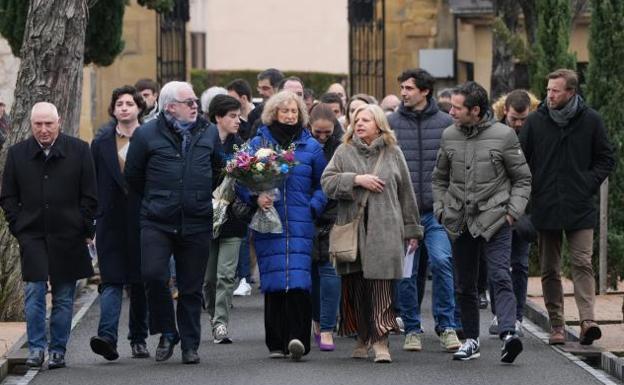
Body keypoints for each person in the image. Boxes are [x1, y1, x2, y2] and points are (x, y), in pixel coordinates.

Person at [125, 81, 224, 364]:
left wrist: (196, 195)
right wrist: (161, 198)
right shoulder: (146, 134)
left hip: (196, 220)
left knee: (191, 288)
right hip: (157, 219)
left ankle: (190, 345)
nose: (195, 106)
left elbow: (218, 170)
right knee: (154, 275)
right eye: (189, 102)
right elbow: (133, 176)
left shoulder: (208, 132)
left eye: (195, 101)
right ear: (170, 107)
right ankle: (168, 331)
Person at [432, 81, 531, 363]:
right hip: (459, 219)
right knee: (464, 284)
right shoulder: (449, 135)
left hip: (496, 218)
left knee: (500, 274)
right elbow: (439, 178)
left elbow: (523, 179)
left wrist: (512, 212)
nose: (450, 111)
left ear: (475, 110)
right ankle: (471, 340)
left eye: (456, 107)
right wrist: (441, 208)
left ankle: (509, 334)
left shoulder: (504, 136)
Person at [520, 69, 615, 346]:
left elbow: (606, 158)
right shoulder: (536, 122)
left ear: (571, 92)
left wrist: (587, 182)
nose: (549, 95)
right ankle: (557, 325)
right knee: (550, 268)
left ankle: (588, 321)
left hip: (580, 204)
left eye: (555, 91)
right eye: (548, 90)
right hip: (546, 204)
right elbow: (519, 160)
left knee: (582, 262)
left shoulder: (591, 120)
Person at [321, 104, 423, 364]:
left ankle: (381, 341)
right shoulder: (343, 151)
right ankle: (362, 337)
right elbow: (327, 183)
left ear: (379, 124)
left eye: (366, 119)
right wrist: (356, 179)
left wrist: (412, 230)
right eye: (357, 120)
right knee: (356, 287)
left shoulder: (393, 152)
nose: (360, 124)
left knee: (381, 286)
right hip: (353, 231)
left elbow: (406, 194)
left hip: (385, 229)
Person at [0, 102, 98, 369]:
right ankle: (35, 348)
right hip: (31, 234)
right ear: (31, 125)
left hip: (69, 233)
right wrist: (18, 226)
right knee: (33, 291)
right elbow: (8, 196)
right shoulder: (18, 154)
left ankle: (57, 350)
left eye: (48, 124)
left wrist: (84, 227)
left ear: (59, 122)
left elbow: (89, 193)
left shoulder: (79, 150)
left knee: (65, 296)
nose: (43, 129)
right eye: (38, 124)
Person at [236, 90, 327, 361]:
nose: (289, 116)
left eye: (294, 111)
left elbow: (324, 183)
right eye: (284, 110)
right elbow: (239, 180)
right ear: (273, 113)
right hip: (268, 219)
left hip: (300, 220)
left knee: (299, 278)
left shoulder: (310, 146)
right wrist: (256, 196)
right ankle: (276, 341)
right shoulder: (257, 143)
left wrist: (313, 207)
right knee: (274, 278)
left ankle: (297, 339)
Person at [388, 68, 460, 353]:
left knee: (442, 262)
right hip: (404, 213)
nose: (403, 92)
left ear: (425, 91)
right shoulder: (391, 123)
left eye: (409, 88)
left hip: (437, 212)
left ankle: (447, 326)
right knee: (407, 273)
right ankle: (412, 328)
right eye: (402, 87)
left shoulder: (446, 123)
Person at [88, 86, 151, 361]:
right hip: (110, 220)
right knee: (111, 279)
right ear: (113, 110)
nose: (124, 107)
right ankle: (107, 338)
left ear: (139, 108)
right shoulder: (101, 142)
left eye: (129, 103)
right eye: (119, 104)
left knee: (139, 282)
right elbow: (91, 183)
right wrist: (90, 221)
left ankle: (139, 339)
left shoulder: (150, 139)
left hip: (143, 218)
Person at [487, 89, 540, 337]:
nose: (519, 124)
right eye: (514, 119)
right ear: (504, 112)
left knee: (519, 264)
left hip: (526, 208)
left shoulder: (538, 133)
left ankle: (516, 315)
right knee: (497, 265)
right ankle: (500, 312)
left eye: (523, 119)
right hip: (497, 208)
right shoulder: (493, 132)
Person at [203, 95, 246, 344]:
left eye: (238, 115)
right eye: (232, 115)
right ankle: (213, 316)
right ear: (218, 117)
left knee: (226, 274)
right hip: (206, 216)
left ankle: (221, 323)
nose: (237, 120)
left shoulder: (241, 146)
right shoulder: (203, 142)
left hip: (233, 217)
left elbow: (247, 181)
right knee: (208, 278)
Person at [308, 104, 341, 351]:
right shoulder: (302, 145)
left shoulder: (340, 147)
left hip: (333, 217)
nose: (322, 137)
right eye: (317, 132)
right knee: (310, 275)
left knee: (329, 274)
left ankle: (327, 328)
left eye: (327, 133)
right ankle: (317, 323)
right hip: (306, 215)